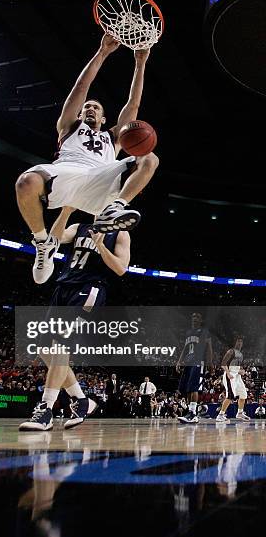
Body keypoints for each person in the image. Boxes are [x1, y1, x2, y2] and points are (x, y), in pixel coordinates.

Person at [15, 34, 158, 284]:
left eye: (96, 108)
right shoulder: (69, 127)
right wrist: (102, 53)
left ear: (104, 119)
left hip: (102, 181)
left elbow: (133, 105)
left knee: (148, 158)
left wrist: (141, 62)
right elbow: (80, 89)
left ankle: (116, 207)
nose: (90, 108)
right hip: (67, 172)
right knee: (26, 182)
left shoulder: (115, 137)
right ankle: (42, 242)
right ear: (80, 114)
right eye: (87, 107)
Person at [19, 206, 131, 431]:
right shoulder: (80, 227)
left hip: (89, 290)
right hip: (64, 287)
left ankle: (45, 410)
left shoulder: (120, 233)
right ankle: (82, 400)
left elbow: (121, 268)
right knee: (44, 349)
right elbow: (53, 239)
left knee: (61, 346)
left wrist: (100, 246)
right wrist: (67, 210)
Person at [176, 312, 213, 424]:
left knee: (193, 387)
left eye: (197, 316)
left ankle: (193, 414)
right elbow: (185, 348)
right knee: (187, 389)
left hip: (198, 361)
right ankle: (190, 412)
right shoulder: (188, 333)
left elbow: (209, 347)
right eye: (193, 316)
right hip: (188, 362)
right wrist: (179, 361)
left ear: (201, 320)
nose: (194, 318)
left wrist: (210, 362)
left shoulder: (204, 332)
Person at [216, 336, 251, 422]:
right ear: (235, 342)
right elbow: (223, 363)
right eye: (238, 341)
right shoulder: (231, 351)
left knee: (243, 395)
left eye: (241, 342)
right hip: (230, 375)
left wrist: (241, 371)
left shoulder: (240, 354)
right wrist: (228, 373)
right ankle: (220, 415)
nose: (240, 343)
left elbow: (238, 367)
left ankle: (240, 413)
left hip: (237, 376)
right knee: (230, 396)